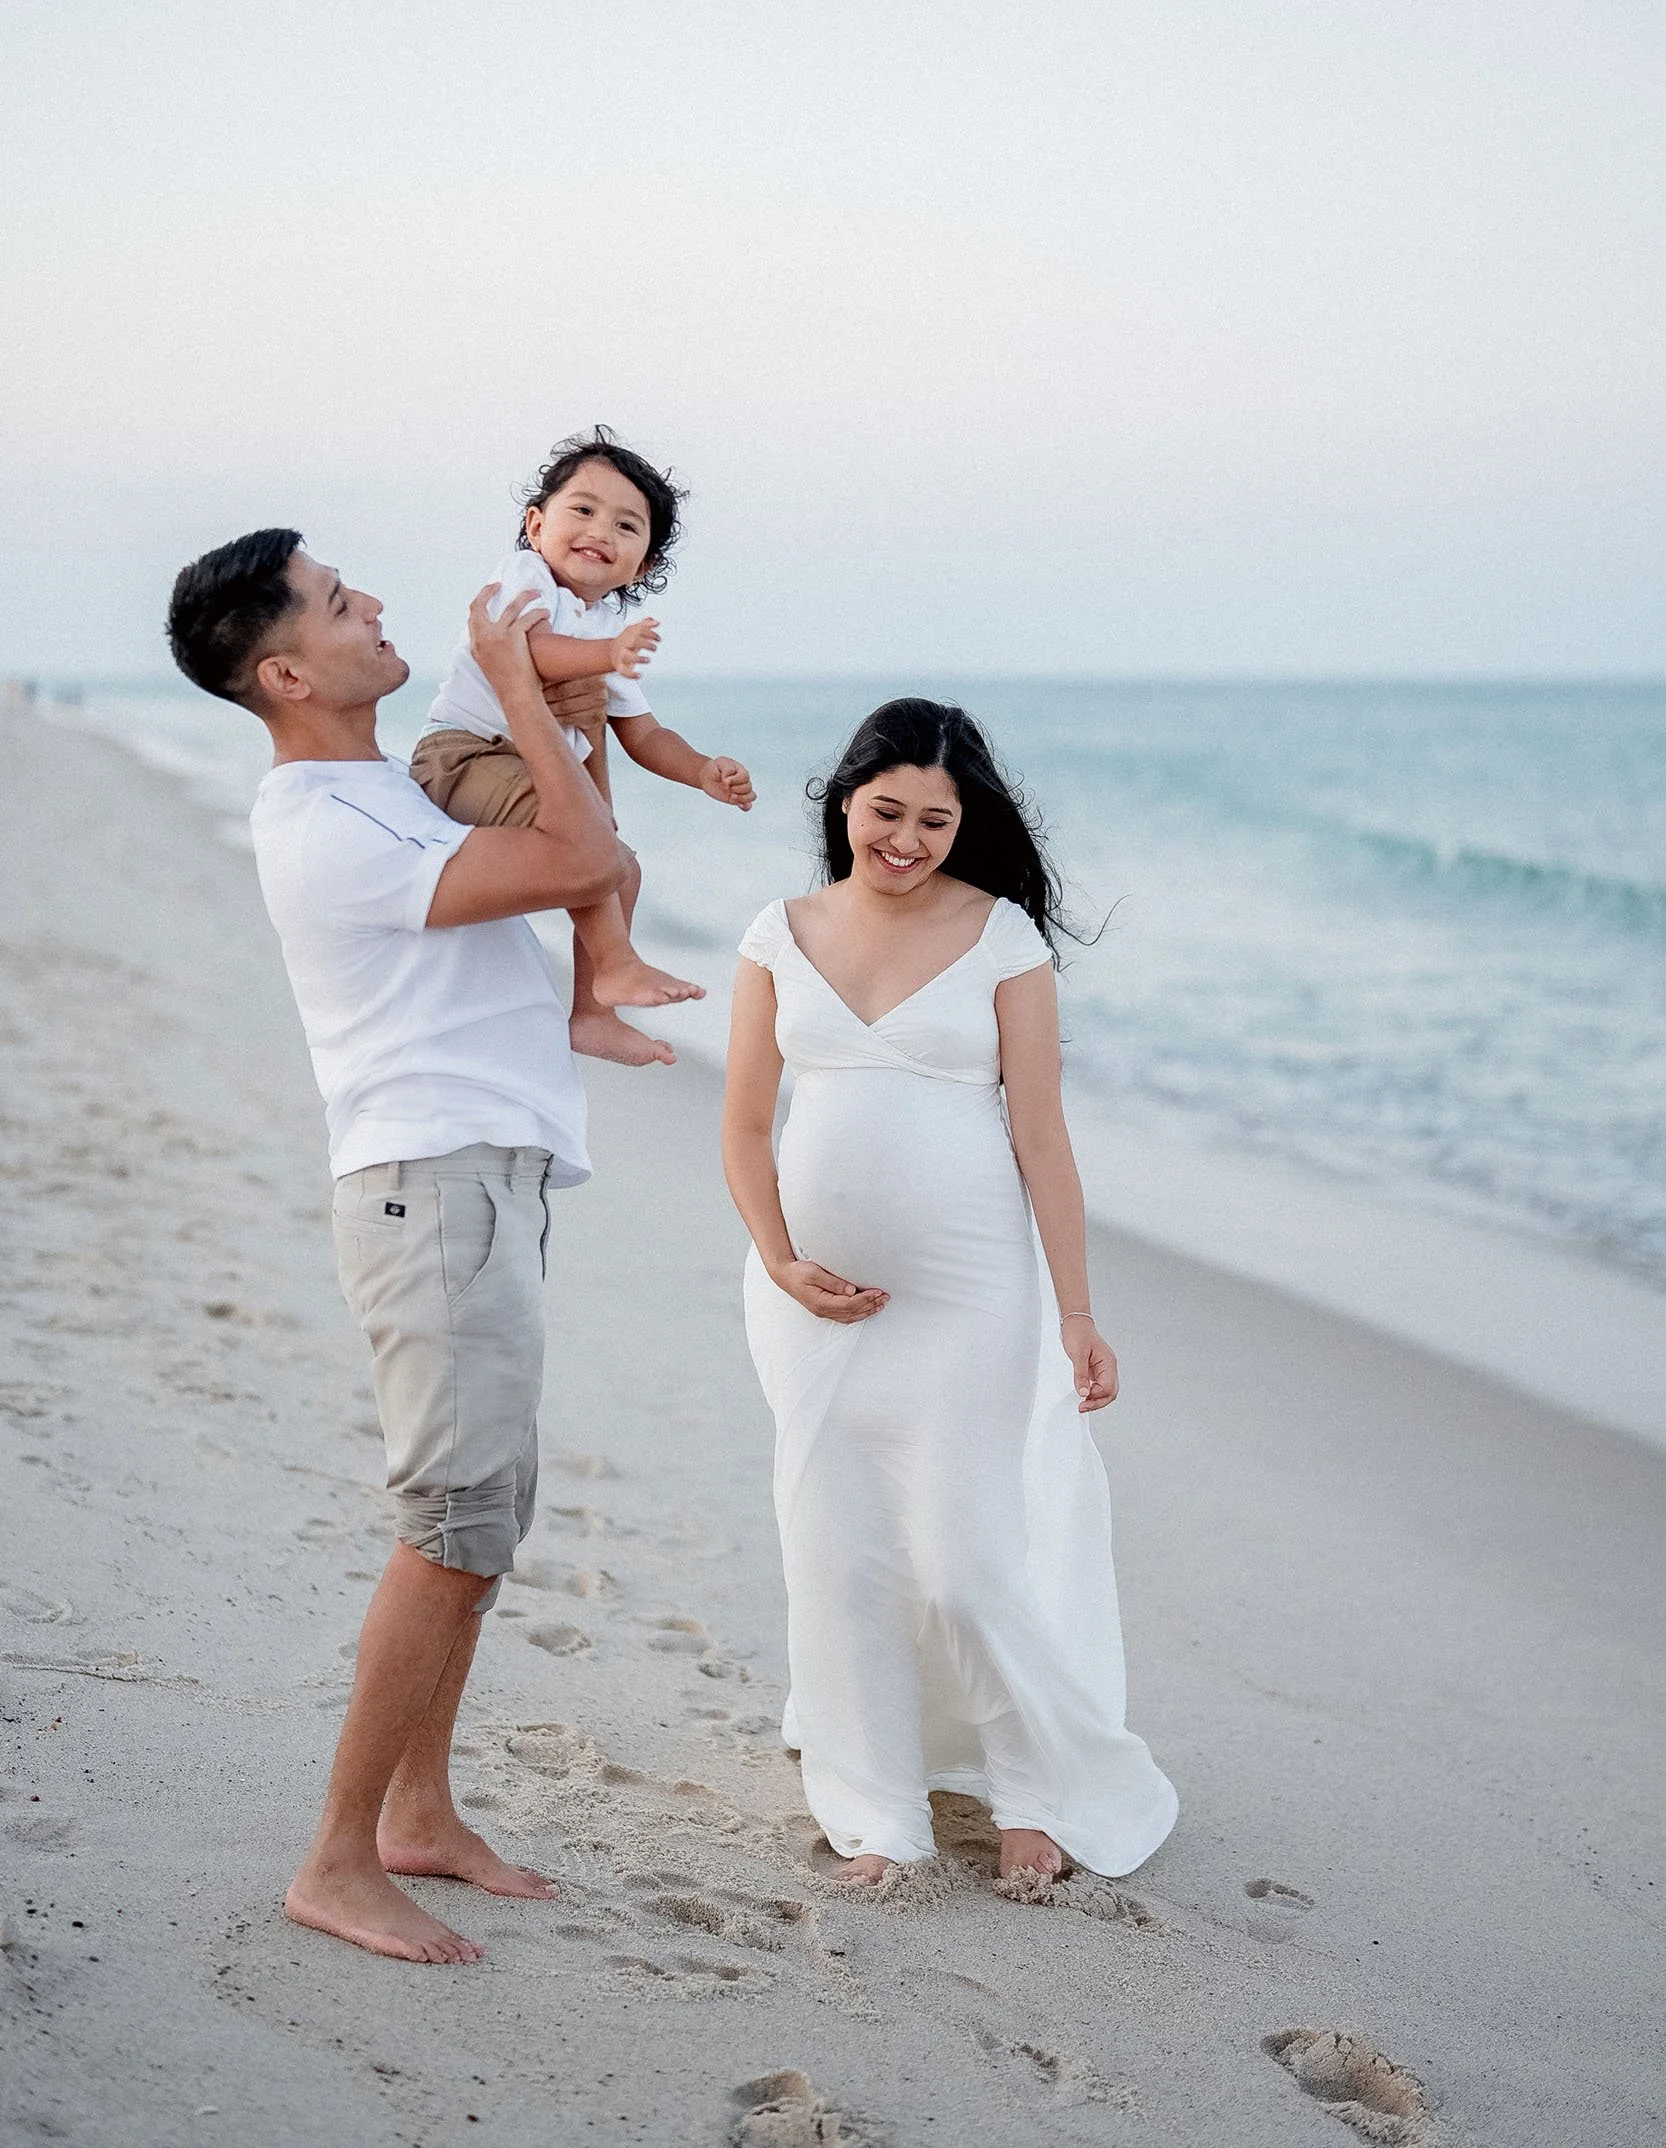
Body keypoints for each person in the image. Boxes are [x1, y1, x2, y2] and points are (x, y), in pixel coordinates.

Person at [167, 529, 628, 1964]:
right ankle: (333, 1856)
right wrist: (512, 670)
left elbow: (577, 833)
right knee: (447, 1528)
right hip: (427, 1191)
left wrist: (546, 704)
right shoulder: (323, 830)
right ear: (288, 670)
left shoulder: (382, 791)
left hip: (478, 1175)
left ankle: (417, 1814)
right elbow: (581, 859)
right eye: (336, 600)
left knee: (486, 1522)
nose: (374, 604)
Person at [722, 698, 1178, 1891]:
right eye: (887, 812)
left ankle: (1037, 1790)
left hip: (972, 1293)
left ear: (963, 823)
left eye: (935, 819)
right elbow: (740, 1123)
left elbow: (1041, 1135)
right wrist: (777, 1256)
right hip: (808, 1306)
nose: (907, 839)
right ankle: (879, 1808)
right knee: (841, 1548)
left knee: (968, 1558)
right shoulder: (778, 931)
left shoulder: (1001, 937)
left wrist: (1077, 1313)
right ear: (843, 802)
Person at [411, 428, 755, 1069]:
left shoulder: (605, 632)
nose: (601, 530)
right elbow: (526, 654)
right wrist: (607, 657)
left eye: (628, 526)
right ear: (535, 524)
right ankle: (618, 962)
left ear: (644, 564)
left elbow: (645, 735)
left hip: (534, 773)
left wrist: (703, 770)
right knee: (593, 844)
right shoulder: (525, 576)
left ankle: (594, 1013)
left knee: (622, 864)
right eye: (584, 510)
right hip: (464, 757)